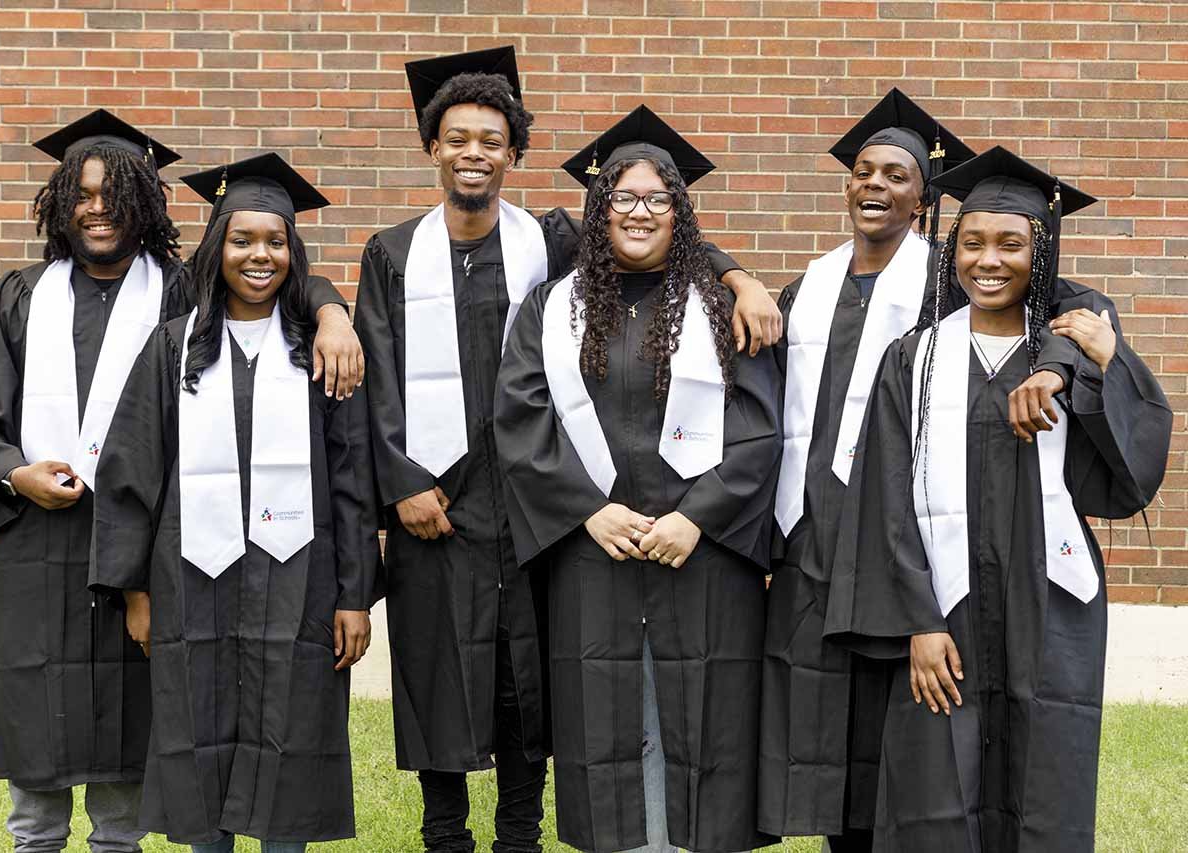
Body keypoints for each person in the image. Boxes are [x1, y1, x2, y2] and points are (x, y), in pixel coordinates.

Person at [354, 47, 780, 853]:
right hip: (468, 505)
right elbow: (421, 386)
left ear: (514, 153)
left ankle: (522, 835)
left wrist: (739, 276)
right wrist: (403, 478)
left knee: (530, 682)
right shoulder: (405, 256)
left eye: (491, 139)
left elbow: (664, 247)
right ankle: (445, 835)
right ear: (432, 147)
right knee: (446, 676)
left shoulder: (551, 244)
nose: (474, 152)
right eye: (458, 137)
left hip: (544, 519)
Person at [0, 110, 361, 853]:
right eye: (82, 193)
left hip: (160, 553)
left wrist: (329, 307)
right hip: (39, 546)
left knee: (141, 737)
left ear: (146, 204)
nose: (97, 207)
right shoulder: (19, 296)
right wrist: (13, 473)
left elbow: (269, 269)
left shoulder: (181, 298)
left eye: (116, 193)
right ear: (61, 201)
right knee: (39, 759)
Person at [824, 146, 1172, 852]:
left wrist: (1095, 370)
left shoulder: (1072, 352)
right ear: (951, 250)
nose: (989, 260)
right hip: (940, 616)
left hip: (1051, 604)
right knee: (933, 792)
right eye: (973, 242)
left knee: (1043, 782)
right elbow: (883, 498)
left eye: (1011, 244)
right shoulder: (912, 359)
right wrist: (916, 621)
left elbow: (1132, 472)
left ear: (1039, 256)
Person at [494, 107, 783, 853]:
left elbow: (759, 428)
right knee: (603, 720)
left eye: (659, 198)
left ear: (681, 214)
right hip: (597, 553)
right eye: (623, 197)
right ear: (599, 209)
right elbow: (521, 422)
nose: (640, 212)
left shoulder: (722, 307)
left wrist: (701, 515)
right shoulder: (553, 310)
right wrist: (589, 512)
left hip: (704, 555)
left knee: (708, 717)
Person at [89, 153, 382, 852]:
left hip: (300, 583)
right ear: (216, 247)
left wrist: (354, 596)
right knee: (201, 735)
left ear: (295, 252)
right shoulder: (172, 348)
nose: (260, 255)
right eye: (242, 239)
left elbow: (352, 479)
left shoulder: (322, 351)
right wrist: (135, 590)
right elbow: (132, 473)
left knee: (293, 735)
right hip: (191, 580)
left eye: (276, 241)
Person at [758, 89, 975, 850]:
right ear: (848, 185)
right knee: (816, 711)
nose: (874, 184)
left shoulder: (947, 284)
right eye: (863, 171)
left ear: (923, 198)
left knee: (883, 720)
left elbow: (1049, 299)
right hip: (810, 530)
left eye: (895, 174)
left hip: (890, 530)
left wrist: (1089, 334)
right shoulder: (807, 286)